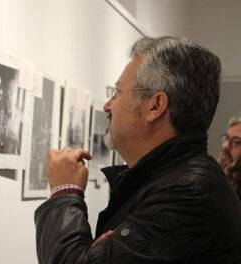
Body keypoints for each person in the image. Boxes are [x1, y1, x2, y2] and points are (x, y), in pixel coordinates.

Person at [35, 36, 241, 263]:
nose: (107, 106)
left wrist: (65, 193)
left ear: (155, 105)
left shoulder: (186, 195)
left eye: (117, 92)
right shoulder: (172, 183)